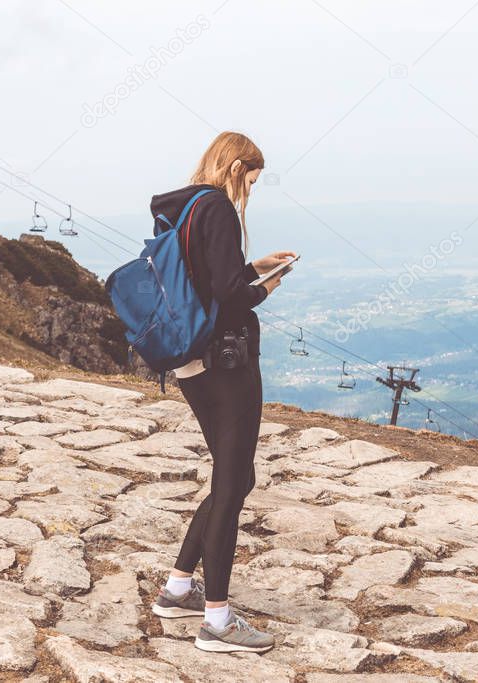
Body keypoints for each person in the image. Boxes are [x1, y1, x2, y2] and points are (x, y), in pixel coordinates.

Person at [148, 131, 294, 654]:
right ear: (235, 168)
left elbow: (206, 279)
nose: (250, 190)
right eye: (251, 179)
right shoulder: (221, 210)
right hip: (224, 364)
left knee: (235, 477)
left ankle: (179, 588)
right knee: (231, 486)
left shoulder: (184, 206)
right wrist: (266, 287)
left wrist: (252, 268)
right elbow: (231, 298)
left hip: (189, 360)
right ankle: (218, 622)